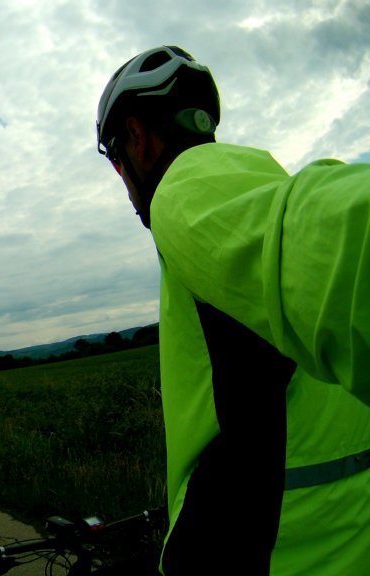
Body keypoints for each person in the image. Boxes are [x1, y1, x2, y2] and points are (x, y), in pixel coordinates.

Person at [96, 45, 370, 575]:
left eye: (115, 159)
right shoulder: (257, 178)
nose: (123, 179)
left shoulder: (185, 188)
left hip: (269, 553)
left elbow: (344, 247)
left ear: (136, 137)